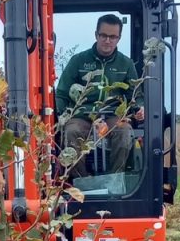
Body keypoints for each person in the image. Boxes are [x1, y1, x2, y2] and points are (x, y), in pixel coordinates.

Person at [55, 14, 144, 178]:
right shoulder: (78, 61)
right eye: (104, 35)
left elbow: (135, 95)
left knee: (124, 131)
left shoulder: (126, 64)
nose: (108, 40)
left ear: (119, 38)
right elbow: (61, 93)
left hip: (111, 116)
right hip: (82, 116)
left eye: (113, 37)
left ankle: (114, 180)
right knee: (71, 132)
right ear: (96, 35)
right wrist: (63, 116)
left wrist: (140, 108)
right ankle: (82, 183)